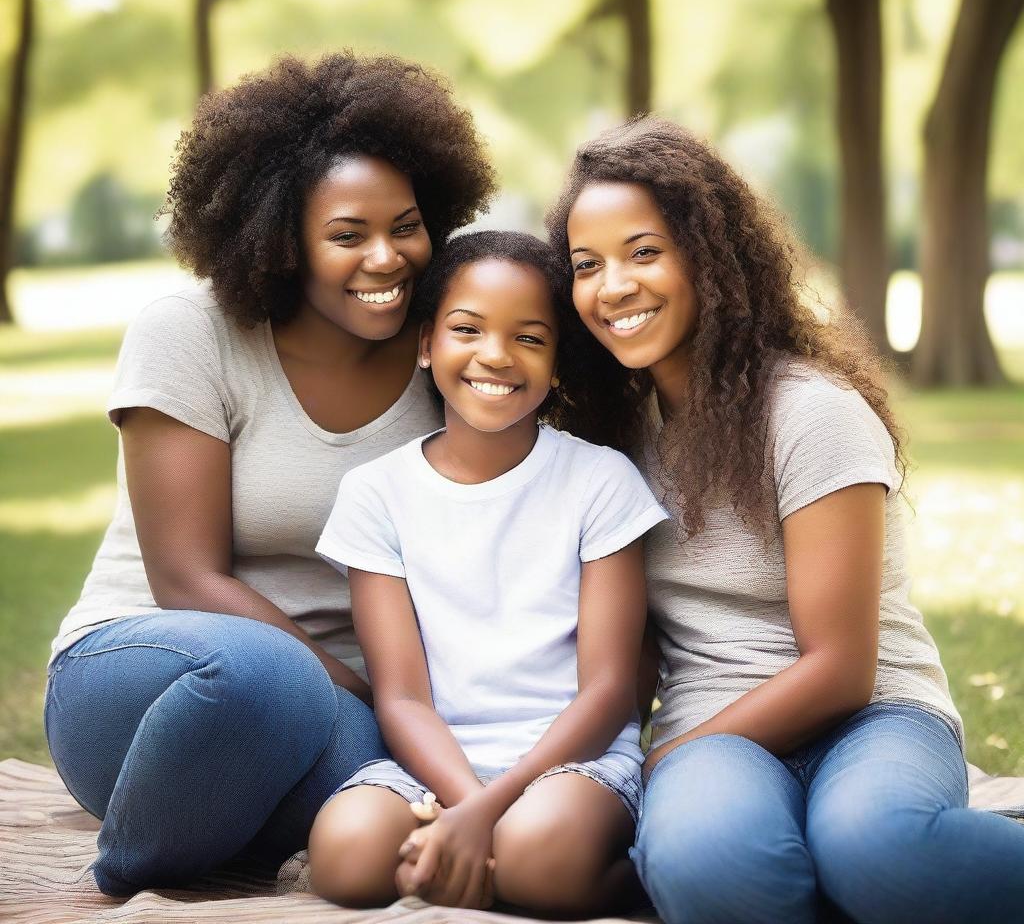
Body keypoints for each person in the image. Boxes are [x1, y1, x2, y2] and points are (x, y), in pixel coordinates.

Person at [547, 117, 1024, 924]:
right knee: (708, 864)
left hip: (875, 715)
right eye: (586, 265)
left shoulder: (810, 413)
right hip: (718, 731)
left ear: (710, 257)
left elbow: (841, 668)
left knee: (876, 847)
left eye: (643, 252)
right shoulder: (611, 435)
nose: (613, 286)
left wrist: (666, 758)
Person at [43, 51, 494, 896]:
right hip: (154, 678)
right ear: (281, 240)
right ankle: (130, 873)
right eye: (347, 236)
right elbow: (185, 575)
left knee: (392, 815)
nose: (388, 258)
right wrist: (373, 693)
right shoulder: (191, 332)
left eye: (405, 225)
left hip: (341, 711)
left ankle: (225, 839)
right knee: (265, 677)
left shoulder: (447, 347)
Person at [307, 230, 668, 914]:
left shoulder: (599, 482)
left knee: (537, 860)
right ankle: (500, 866)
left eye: (530, 338)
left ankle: (626, 876)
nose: (495, 356)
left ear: (558, 362)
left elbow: (611, 688)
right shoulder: (375, 492)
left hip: (573, 761)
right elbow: (403, 699)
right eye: (466, 329)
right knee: (346, 857)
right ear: (425, 345)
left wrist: (489, 814)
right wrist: (467, 808)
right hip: (437, 762)